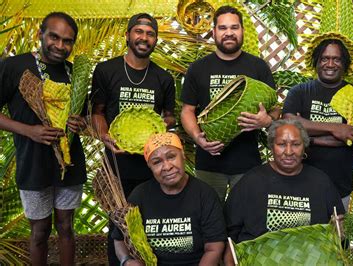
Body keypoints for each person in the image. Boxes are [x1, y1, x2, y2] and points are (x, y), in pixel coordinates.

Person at [0, 12, 86, 265]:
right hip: (33, 165)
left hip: (70, 166)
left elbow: (86, 117)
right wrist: (29, 130)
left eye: (68, 41)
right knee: (39, 233)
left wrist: (81, 122)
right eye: (54, 37)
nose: (60, 46)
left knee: (67, 227)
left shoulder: (74, 73)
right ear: (41, 34)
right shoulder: (15, 66)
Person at [90, 13, 176, 265]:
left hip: (153, 166)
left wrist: (155, 127)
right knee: (117, 225)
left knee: (150, 222)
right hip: (116, 166)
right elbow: (97, 113)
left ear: (156, 40)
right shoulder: (107, 70)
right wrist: (105, 135)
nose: (144, 37)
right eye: (139, 31)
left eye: (150, 34)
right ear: (127, 35)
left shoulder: (163, 78)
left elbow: (170, 118)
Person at [181, 5, 277, 202]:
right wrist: (197, 137)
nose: (229, 33)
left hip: (247, 163)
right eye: (223, 28)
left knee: (246, 222)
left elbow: (275, 109)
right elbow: (187, 111)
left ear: (242, 30)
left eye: (234, 27)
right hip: (209, 163)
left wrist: (266, 121)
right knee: (209, 220)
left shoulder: (257, 67)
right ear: (214, 31)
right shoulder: (198, 69)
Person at [224, 119, 344, 264]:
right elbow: (230, 236)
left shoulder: (321, 182)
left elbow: (340, 237)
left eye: (296, 144)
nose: (288, 152)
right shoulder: (251, 182)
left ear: (304, 147)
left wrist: (340, 233)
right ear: (271, 147)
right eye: (281, 144)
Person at [282, 38, 353, 210]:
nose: (330, 64)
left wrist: (306, 135)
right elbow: (289, 124)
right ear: (316, 62)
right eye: (324, 58)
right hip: (300, 183)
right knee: (303, 235)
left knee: (337, 235)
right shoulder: (299, 92)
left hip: (340, 187)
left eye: (336, 59)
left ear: (344, 63)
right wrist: (336, 128)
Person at [113, 133, 226, 266]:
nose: (167, 167)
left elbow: (214, 248)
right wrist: (126, 260)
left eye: (171, 156)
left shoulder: (204, 194)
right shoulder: (140, 195)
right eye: (157, 162)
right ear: (149, 166)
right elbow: (119, 239)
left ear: (182, 155)